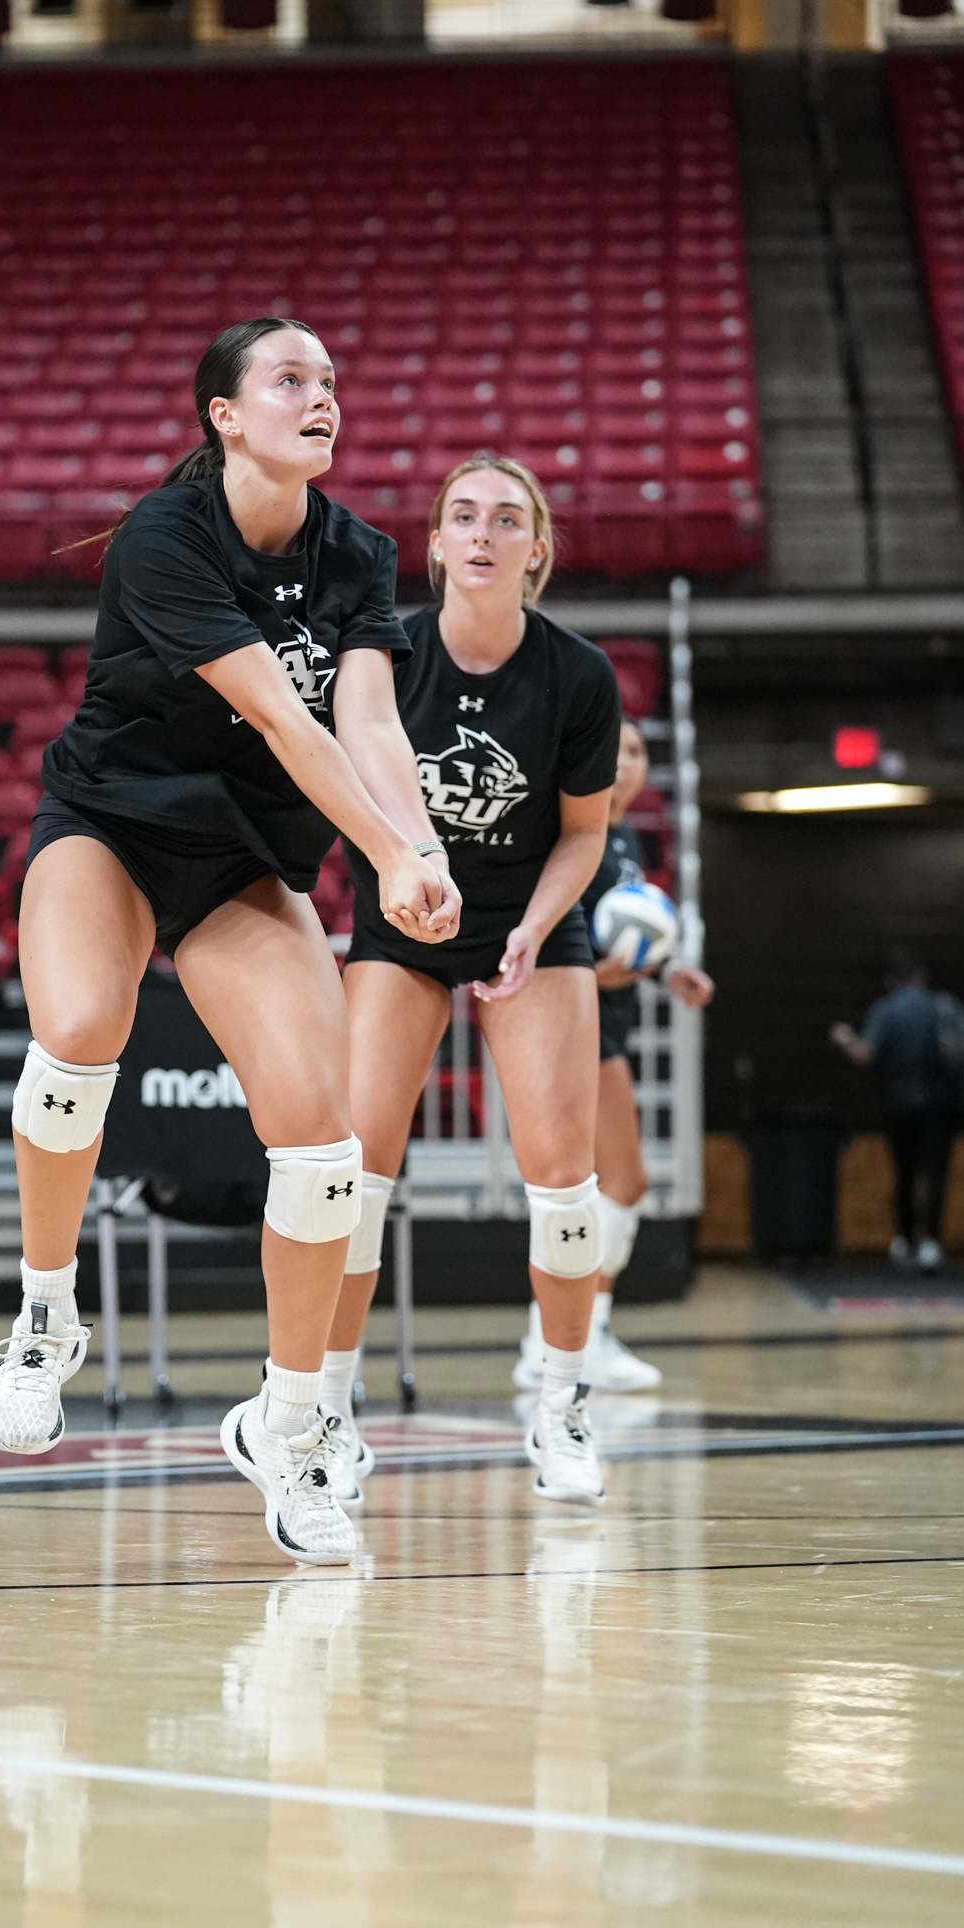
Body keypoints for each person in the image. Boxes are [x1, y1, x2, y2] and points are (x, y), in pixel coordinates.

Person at [0, 318, 460, 1566]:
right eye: (290, 379)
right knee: (80, 1030)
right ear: (225, 415)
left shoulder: (358, 551)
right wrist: (387, 856)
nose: (321, 396)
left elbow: (369, 722)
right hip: (113, 823)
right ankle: (45, 1315)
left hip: (243, 857)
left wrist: (423, 848)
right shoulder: (164, 535)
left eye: (331, 380)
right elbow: (290, 721)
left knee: (325, 1145)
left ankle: (287, 1425)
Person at [325, 454, 621, 1508]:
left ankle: (565, 1404)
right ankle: (326, 1409)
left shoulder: (579, 674)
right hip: (405, 917)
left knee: (564, 1173)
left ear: (536, 549)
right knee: (355, 1172)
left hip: (524, 921)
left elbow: (583, 834)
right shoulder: (384, 657)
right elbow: (345, 790)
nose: (484, 533)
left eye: (506, 519)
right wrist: (400, 877)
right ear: (437, 543)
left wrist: (536, 928)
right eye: (464, 516)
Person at [513, 717, 714, 1391]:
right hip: (574, 1024)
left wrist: (667, 969)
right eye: (614, 748)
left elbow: (618, 936)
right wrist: (599, 978)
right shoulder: (563, 832)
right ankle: (564, 1339)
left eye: (637, 751)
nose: (625, 762)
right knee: (619, 1182)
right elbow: (544, 945)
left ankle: (567, 1338)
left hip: (606, 1022)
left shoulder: (621, 838)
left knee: (606, 1184)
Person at [831, 953, 964, 1272]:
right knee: (936, 1173)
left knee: (904, 1172)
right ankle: (931, 1244)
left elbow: (864, 1054)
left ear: (891, 982)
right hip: (940, 1103)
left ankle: (905, 1241)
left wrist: (845, 1038)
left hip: (900, 1105)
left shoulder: (885, 1010)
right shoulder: (944, 1006)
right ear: (922, 977)